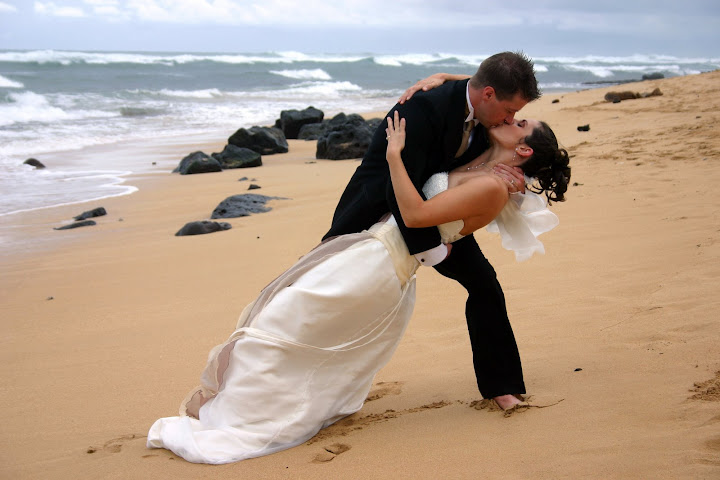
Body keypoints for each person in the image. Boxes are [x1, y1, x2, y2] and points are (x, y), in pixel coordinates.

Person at [146, 110, 570, 464]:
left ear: (524, 148)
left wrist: (395, 156)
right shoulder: (482, 162)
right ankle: (254, 405)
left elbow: (417, 216)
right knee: (291, 319)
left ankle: (246, 414)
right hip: (371, 252)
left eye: (520, 123)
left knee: (286, 318)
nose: (512, 119)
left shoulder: (494, 187)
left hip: (380, 265)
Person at [323, 52, 542, 410]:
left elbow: (477, 84)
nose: (511, 119)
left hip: (437, 214)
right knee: (341, 297)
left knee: (484, 284)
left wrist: (441, 73)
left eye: (517, 115)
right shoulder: (420, 110)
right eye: (510, 111)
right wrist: (431, 251)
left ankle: (501, 386)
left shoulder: (490, 116)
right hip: (378, 211)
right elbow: (401, 186)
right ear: (487, 95)